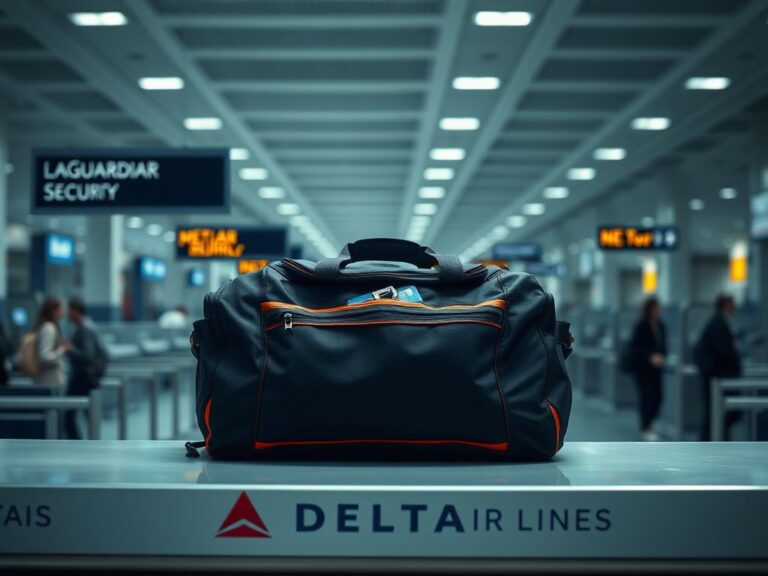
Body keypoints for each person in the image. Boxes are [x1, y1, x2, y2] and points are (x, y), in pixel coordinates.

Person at [694, 294, 742, 441]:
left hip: (715, 375)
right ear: (725, 305)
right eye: (732, 304)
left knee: (714, 412)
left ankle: (717, 438)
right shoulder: (719, 323)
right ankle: (712, 440)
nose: (735, 307)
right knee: (715, 412)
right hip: (715, 376)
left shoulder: (719, 321)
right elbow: (723, 350)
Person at [64, 298, 108, 439]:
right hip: (87, 378)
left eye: (70, 310)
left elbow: (87, 356)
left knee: (69, 416)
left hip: (83, 379)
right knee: (86, 415)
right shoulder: (87, 327)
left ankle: (78, 444)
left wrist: (70, 349)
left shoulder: (84, 330)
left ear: (76, 311)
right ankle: (88, 443)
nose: (67, 314)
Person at [629, 297, 667, 441]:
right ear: (650, 309)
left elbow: (663, 346)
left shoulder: (661, 326)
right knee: (647, 397)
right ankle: (645, 427)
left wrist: (662, 356)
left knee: (658, 396)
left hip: (656, 369)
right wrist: (650, 357)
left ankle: (650, 423)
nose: (659, 310)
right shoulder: (641, 325)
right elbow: (635, 347)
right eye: (656, 307)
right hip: (643, 369)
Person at [32, 297, 69, 387]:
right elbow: (45, 356)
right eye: (61, 309)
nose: (63, 312)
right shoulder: (49, 328)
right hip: (49, 381)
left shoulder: (48, 327)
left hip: (49, 379)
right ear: (54, 311)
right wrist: (62, 349)